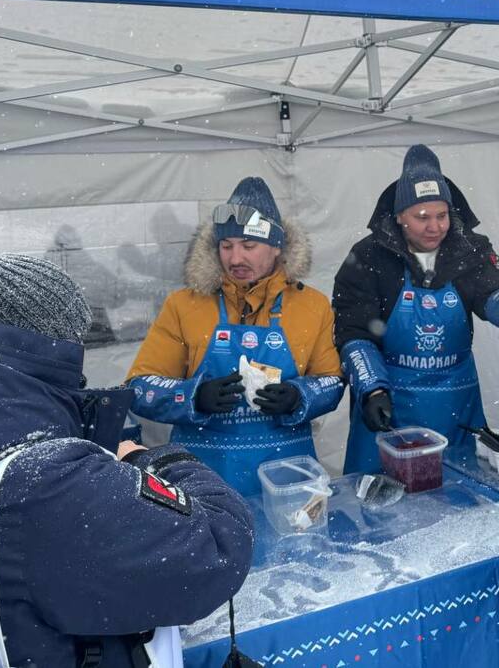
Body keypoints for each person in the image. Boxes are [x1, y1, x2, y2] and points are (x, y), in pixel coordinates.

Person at [0, 229, 253, 667]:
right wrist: (157, 444)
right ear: (47, 347)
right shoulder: (44, 482)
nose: (236, 255)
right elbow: (216, 546)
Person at [334, 144, 499, 473]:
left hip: (455, 405)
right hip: (392, 406)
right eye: (422, 218)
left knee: (459, 499)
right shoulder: (368, 257)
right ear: (399, 216)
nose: (435, 227)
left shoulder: (468, 247)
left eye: (441, 215)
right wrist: (373, 387)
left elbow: (490, 292)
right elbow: (354, 333)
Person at [127, 176, 343, 496]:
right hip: (202, 476)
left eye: (249, 246)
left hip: (286, 475)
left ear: (276, 247)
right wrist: (192, 396)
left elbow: (333, 381)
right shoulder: (185, 305)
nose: (235, 259)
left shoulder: (311, 305)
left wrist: (300, 396)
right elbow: (138, 387)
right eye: (226, 246)